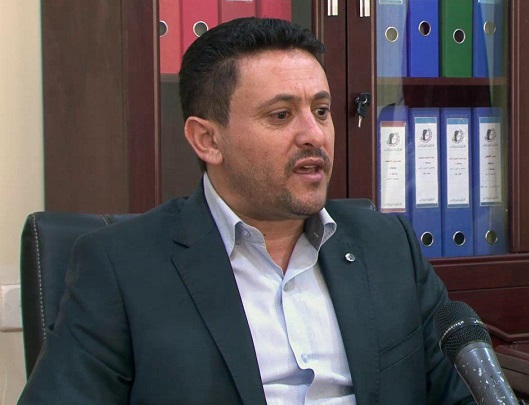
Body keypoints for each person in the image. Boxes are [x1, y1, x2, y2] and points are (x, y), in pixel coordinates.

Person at [19, 17, 473, 404]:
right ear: (207, 140)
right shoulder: (121, 267)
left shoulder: (388, 246)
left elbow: (460, 393)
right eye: (281, 115)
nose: (314, 134)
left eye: (321, 111)